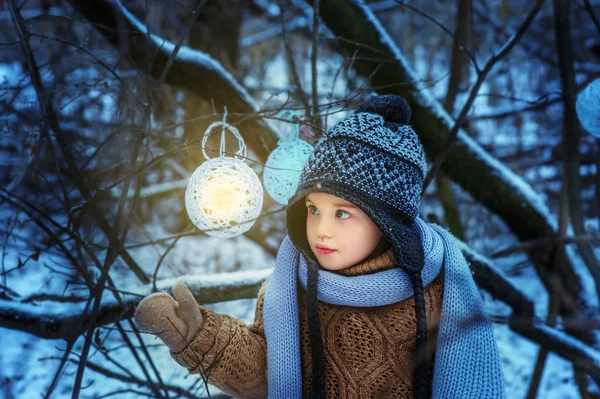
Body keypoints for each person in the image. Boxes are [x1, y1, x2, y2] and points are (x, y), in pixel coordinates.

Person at [134, 95, 505, 399]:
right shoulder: (291, 287)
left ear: (388, 223)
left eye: (343, 214)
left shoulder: (435, 291)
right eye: (312, 209)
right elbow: (267, 373)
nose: (320, 231)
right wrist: (201, 338)